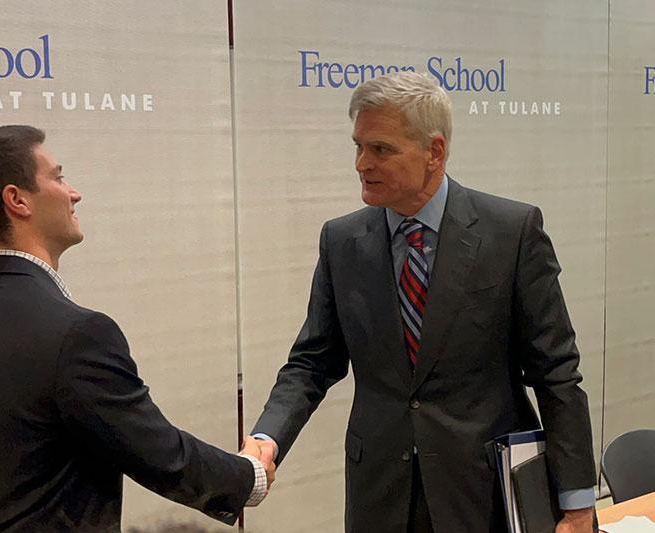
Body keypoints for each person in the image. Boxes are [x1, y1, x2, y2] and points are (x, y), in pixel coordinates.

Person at [251, 72, 597, 532]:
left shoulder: (510, 234)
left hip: (483, 493)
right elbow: (312, 362)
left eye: (380, 149)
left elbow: (555, 374)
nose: (361, 163)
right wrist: (266, 437)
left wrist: (576, 503)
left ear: (434, 151)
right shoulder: (343, 241)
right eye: (358, 146)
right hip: (380, 493)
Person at [0, 125, 274, 532]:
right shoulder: (77, 334)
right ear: (17, 200)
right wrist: (249, 475)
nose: (74, 193)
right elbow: (159, 453)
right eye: (58, 177)